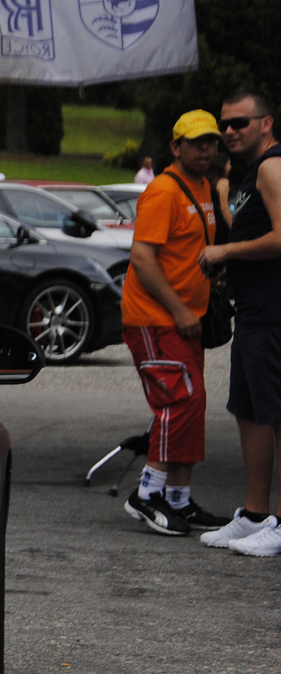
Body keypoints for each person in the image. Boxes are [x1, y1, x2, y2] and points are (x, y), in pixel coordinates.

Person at [118, 110, 223, 536]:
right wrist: (179, 309)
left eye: (211, 141)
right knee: (178, 402)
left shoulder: (202, 187)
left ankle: (179, 499)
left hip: (184, 318)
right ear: (175, 147)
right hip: (156, 318)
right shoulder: (162, 190)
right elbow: (142, 258)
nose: (206, 148)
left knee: (192, 402)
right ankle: (147, 494)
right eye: (196, 141)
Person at [198, 89, 281, 556]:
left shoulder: (272, 167)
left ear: (265, 124)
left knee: (278, 414)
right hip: (253, 309)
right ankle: (254, 515)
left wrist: (226, 250)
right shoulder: (246, 174)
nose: (229, 131)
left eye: (240, 123)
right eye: (225, 125)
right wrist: (236, 264)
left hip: (274, 312)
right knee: (248, 410)